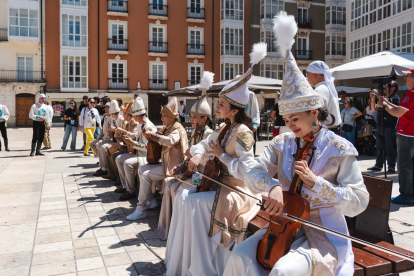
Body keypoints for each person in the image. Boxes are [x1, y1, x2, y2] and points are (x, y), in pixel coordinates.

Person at [222, 12, 369, 276]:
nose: (290, 125)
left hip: (325, 233)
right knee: (239, 256)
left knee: (282, 271)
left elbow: (359, 201)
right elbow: (253, 170)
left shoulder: (339, 148)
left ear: (315, 113)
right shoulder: (282, 143)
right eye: (287, 119)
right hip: (284, 224)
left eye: (296, 118)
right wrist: (273, 186)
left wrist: (318, 184)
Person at [164, 41, 267, 276]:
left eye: (221, 104)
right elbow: (205, 144)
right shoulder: (224, 127)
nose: (217, 107)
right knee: (182, 196)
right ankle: (183, 261)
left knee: (191, 202)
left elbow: (247, 170)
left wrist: (222, 157)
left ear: (234, 109)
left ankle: (204, 268)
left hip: (238, 192)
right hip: (222, 186)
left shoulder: (243, 133)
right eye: (217, 103)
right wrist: (199, 152)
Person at [155, 71, 215, 240]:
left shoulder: (208, 134)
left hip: (203, 175)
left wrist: (195, 157)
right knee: (168, 186)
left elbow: (210, 159)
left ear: (204, 119)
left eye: (195, 117)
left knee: (177, 189)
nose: (192, 119)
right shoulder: (195, 133)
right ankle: (170, 228)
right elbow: (189, 156)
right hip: (191, 171)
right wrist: (179, 166)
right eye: (191, 116)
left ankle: (181, 232)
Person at [126, 97, 188, 221]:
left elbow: (170, 141)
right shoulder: (167, 127)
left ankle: (141, 208)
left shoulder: (177, 128)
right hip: (165, 164)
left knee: (146, 175)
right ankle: (150, 200)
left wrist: (153, 137)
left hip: (174, 167)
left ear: (172, 117)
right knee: (142, 169)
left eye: (164, 115)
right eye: (162, 115)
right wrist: (151, 138)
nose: (162, 118)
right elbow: (159, 137)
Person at [376, 69, 414, 205]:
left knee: (405, 165)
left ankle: (406, 195)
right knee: (410, 165)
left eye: (408, 76)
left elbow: (398, 113)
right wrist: (387, 102)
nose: (405, 78)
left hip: (407, 134)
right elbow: (402, 109)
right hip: (410, 133)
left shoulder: (412, 93)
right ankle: (410, 193)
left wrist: (384, 104)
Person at [115, 97, 157, 200]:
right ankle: (126, 186)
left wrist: (132, 143)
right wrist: (128, 138)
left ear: (137, 115)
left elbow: (148, 149)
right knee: (119, 158)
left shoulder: (149, 127)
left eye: (133, 116)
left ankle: (131, 190)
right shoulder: (141, 125)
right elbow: (137, 139)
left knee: (127, 163)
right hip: (138, 153)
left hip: (146, 157)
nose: (133, 118)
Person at [368, 82, 400, 173]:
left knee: (389, 148)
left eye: (387, 86)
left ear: (393, 88)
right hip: (380, 125)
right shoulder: (382, 98)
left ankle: (391, 166)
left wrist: (377, 93)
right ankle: (378, 165)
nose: (385, 87)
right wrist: (373, 98)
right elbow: (374, 109)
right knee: (379, 147)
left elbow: (388, 102)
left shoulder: (395, 97)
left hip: (389, 127)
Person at [104, 102, 138, 184]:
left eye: (124, 113)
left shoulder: (134, 123)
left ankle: (120, 179)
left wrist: (121, 132)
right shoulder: (128, 123)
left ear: (127, 114)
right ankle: (114, 175)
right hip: (127, 146)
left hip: (133, 149)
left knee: (114, 155)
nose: (122, 114)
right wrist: (118, 135)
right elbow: (122, 139)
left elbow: (134, 136)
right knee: (109, 150)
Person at [307, 60, 342, 133]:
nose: (306, 77)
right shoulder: (327, 87)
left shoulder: (320, 90)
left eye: (307, 73)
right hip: (332, 130)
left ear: (315, 74)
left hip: (325, 132)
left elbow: (313, 114)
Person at [93, 100, 124, 174]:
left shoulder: (121, 119)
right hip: (114, 140)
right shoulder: (114, 119)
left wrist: (114, 130)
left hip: (120, 142)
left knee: (103, 146)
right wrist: (110, 131)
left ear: (112, 113)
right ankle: (103, 166)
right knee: (99, 144)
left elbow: (123, 132)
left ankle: (104, 168)